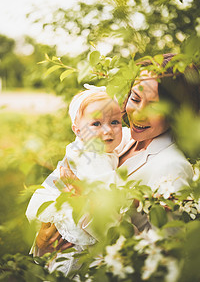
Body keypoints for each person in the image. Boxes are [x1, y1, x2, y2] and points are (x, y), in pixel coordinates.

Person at [34, 53, 200, 261]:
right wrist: (43, 237)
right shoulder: (121, 136)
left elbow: (162, 257)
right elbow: (58, 182)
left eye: (154, 106)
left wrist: (91, 204)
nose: (138, 114)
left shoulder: (173, 167)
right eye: (136, 99)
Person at [26, 84, 127, 276]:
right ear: (77, 130)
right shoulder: (92, 158)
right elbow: (108, 193)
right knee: (69, 269)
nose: (108, 131)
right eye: (96, 124)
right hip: (74, 234)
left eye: (115, 122)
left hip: (77, 224)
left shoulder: (86, 146)